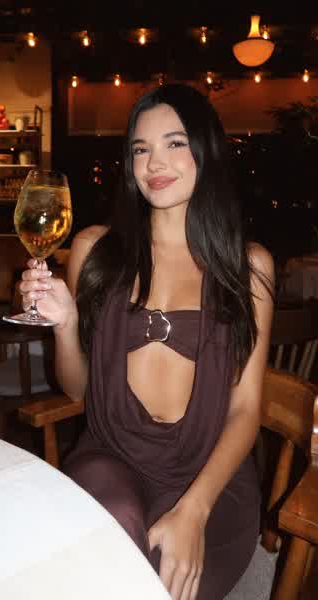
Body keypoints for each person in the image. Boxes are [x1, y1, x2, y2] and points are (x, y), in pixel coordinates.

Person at [19, 83, 274, 600]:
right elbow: (78, 391)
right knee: (110, 553)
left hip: (210, 479)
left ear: (206, 150)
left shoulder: (247, 268)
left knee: (156, 580)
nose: (155, 162)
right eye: (141, 149)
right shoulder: (95, 250)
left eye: (175, 143)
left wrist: (194, 511)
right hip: (111, 456)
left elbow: (247, 409)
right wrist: (65, 325)